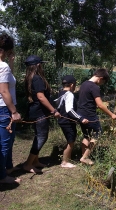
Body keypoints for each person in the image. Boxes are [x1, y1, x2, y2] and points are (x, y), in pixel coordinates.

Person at [23, 55, 61, 173]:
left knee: (38, 136)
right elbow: (41, 97)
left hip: (35, 111)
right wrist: (53, 110)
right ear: (38, 65)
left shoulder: (30, 77)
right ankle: (28, 164)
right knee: (42, 137)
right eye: (41, 64)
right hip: (40, 112)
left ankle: (35, 161)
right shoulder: (37, 78)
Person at [77, 68, 116, 165]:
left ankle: (83, 156)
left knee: (86, 136)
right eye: (103, 82)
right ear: (101, 78)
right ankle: (85, 158)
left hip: (80, 114)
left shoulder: (84, 84)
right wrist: (112, 114)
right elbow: (100, 104)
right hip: (90, 115)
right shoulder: (94, 87)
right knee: (98, 135)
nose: (101, 84)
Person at [0, 33, 21, 184]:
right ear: (6, 50)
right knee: (4, 143)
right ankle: (3, 176)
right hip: (4, 108)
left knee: (9, 139)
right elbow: (4, 90)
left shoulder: (4, 66)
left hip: (2, 107)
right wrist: (14, 111)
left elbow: (8, 79)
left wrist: (11, 62)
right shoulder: (3, 66)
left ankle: (7, 167)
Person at [55, 75, 89, 168]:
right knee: (71, 141)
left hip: (62, 121)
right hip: (67, 122)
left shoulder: (61, 93)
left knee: (71, 140)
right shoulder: (69, 94)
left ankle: (67, 159)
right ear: (72, 85)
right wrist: (80, 119)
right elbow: (69, 110)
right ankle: (65, 162)